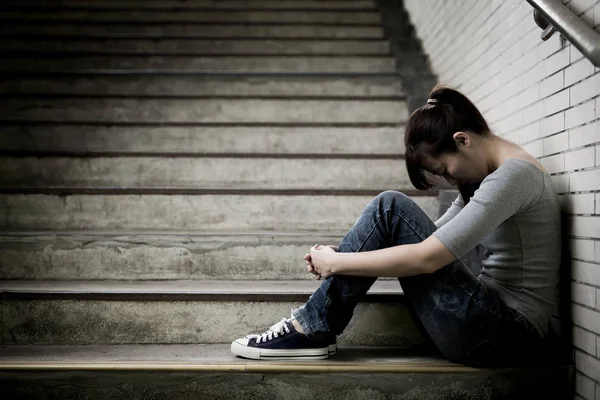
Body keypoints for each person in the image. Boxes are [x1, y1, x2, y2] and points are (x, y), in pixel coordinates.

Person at [230, 85, 562, 367]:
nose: (449, 179)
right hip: (487, 327)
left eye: (444, 169)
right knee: (390, 212)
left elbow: (427, 257)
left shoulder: (513, 177)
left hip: (508, 335)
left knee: (390, 206)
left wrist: (338, 263)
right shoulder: (489, 177)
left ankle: (310, 327)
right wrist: (344, 254)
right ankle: (312, 326)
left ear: (463, 141)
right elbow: (427, 237)